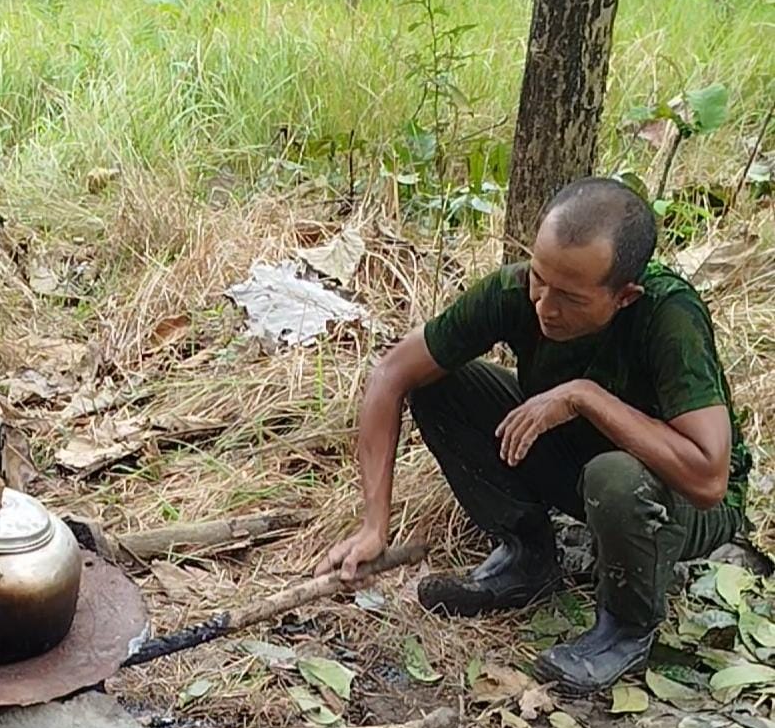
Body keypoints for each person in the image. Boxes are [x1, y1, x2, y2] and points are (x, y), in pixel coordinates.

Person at [317, 177, 751, 694]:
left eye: (570, 297)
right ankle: (527, 556)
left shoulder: (669, 317)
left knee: (614, 474)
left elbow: (709, 478)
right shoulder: (519, 292)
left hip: (679, 503)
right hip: (586, 470)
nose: (545, 305)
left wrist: (586, 396)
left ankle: (627, 628)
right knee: (440, 385)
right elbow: (391, 374)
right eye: (539, 279)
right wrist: (374, 524)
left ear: (625, 296)